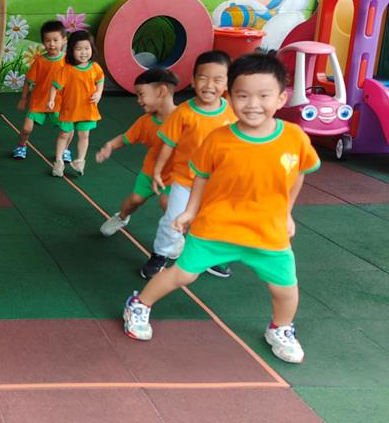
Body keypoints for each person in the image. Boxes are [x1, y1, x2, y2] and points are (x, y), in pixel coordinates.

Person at [123, 53, 319, 364]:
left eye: (263, 96)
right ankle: (139, 304)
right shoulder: (218, 139)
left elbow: (299, 173)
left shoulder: (293, 137)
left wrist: (287, 213)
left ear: (281, 98)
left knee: (285, 288)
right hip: (216, 227)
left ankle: (280, 328)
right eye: (243, 96)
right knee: (182, 275)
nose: (252, 104)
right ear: (231, 96)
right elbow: (200, 176)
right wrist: (190, 211)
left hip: (267, 232)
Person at [139, 50, 234, 279]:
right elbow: (168, 144)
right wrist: (158, 171)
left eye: (217, 79)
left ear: (227, 84)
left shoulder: (231, 114)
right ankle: (160, 254)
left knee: (215, 221)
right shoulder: (182, 113)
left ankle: (210, 257)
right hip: (185, 181)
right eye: (203, 78)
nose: (209, 85)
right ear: (192, 80)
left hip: (217, 183)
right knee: (173, 219)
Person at [95, 67, 179, 236]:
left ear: (161, 91)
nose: (138, 100)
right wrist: (110, 146)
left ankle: (176, 237)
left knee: (168, 204)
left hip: (176, 176)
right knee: (134, 201)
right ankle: (121, 217)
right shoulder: (145, 122)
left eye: (141, 94)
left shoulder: (185, 118)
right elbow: (125, 138)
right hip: (150, 172)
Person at [48, 30, 103, 177]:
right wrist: (51, 100)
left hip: (87, 110)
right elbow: (55, 85)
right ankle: (59, 161)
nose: (83, 52)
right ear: (71, 50)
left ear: (92, 49)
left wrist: (98, 93)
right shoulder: (66, 70)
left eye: (87, 48)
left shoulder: (95, 67)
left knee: (84, 135)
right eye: (79, 49)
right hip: (69, 110)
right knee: (64, 134)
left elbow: (100, 80)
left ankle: (80, 161)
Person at [12, 20, 67, 160]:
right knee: (26, 129)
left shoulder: (68, 61)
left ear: (64, 40)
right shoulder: (40, 61)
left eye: (55, 40)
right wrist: (23, 99)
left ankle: (65, 150)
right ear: (43, 42)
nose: (52, 44)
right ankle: (21, 146)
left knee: (67, 129)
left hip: (60, 103)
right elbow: (28, 81)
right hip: (38, 101)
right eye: (48, 40)